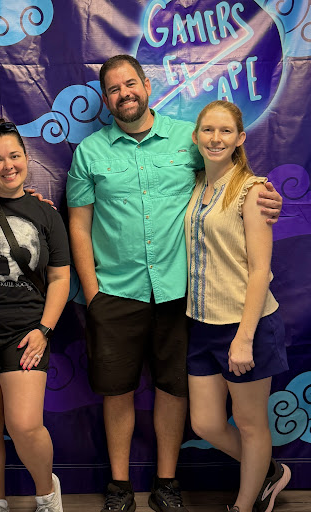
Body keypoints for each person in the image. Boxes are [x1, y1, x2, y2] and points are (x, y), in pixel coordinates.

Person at [66, 55, 283, 512]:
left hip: (180, 294)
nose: (124, 93)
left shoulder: (188, 139)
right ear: (105, 98)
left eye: (130, 84)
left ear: (147, 85)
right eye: (113, 88)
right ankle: (120, 487)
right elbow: (79, 226)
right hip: (115, 293)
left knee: (173, 389)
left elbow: (230, 178)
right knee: (117, 392)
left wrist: (264, 196)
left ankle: (167, 483)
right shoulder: (89, 153)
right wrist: (93, 294)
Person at [0, 119, 70, 512]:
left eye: (15, 156)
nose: (8, 166)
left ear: (27, 158)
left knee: (24, 424)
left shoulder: (46, 214)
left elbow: (60, 278)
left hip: (25, 333)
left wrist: (44, 330)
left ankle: (46, 494)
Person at [185, 100, 290, 512]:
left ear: (240, 138)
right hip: (202, 323)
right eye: (208, 130)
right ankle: (268, 472)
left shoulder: (253, 190)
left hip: (246, 325)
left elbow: (261, 270)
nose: (216, 138)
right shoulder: (197, 185)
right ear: (196, 136)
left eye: (225, 131)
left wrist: (244, 339)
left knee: (249, 424)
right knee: (206, 423)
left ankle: (244, 506)